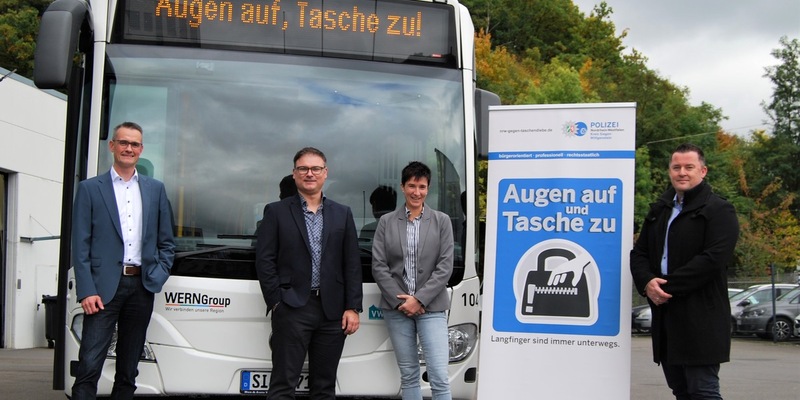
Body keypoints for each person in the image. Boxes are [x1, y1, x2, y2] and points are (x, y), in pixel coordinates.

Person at [71, 122, 175, 399]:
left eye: (135, 144)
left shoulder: (155, 190)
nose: (129, 148)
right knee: (89, 365)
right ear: (112, 146)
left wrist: (159, 273)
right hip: (102, 291)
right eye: (124, 142)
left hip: (141, 286)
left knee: (129, 369)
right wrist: (87, 290)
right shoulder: (90, 189)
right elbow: (80, 245)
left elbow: (167, 241)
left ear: (141, 150)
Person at [630, 143, 739, 400]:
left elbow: (712, 260)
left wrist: (663, 287)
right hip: (666, 319)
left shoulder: (719, 210)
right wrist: (647, 283)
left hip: (702, 319)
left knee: (703, 392)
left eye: (689, 167)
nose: (682, 172)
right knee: (680, 391)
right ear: (670, 171)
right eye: (676, 167)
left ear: (703, 171)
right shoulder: (659, 210)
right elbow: (639, 253)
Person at [255, 147, 363, 400]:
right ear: (294, 174)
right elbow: (265, 261)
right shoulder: (276, 212)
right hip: (292, 308)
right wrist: (277, 301)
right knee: (283, 385)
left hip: (333, 311)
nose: (309, 173)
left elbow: (352, 264)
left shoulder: (342, 213)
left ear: (325, 173)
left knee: (324, 388)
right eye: (303, 168)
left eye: (316, 168)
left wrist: (353, 307)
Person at [371, 161, 454, 400]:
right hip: (397, 308)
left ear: (428, 189)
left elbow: (445, 266)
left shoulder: (442, 221)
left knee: (439, 376)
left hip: (432, 307)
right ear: (402, 187)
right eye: (411, 186)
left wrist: (419, 299)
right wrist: (402, 302)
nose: (416, 192)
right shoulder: (386, 222)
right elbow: (379, 266)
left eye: (422, 186)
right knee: (408, 375)